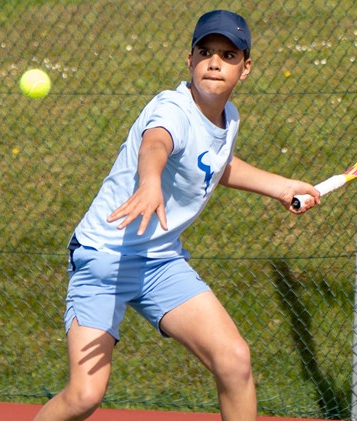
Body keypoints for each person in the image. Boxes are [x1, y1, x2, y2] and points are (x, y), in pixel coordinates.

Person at [34, 9, 320, 421]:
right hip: (103, 258)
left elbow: (214, 163)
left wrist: (280, 186)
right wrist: (149, 182)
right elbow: (156, 145)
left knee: (235, 359)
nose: (215, 62)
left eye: (229, 55)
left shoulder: (228, 118)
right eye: (205, 52)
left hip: (160, 261)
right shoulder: (171, 108)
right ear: (190, 61)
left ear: (246, 68)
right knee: (84, 395)